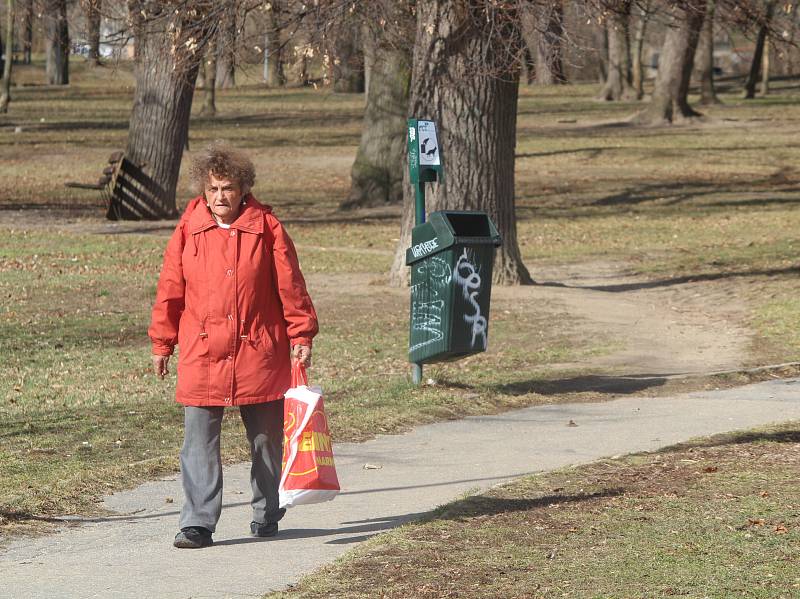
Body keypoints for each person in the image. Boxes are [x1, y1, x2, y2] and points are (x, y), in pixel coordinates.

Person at [148, 142, 318, 549]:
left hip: (259, 348)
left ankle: (268, 510)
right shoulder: (188, 228)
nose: (220, 197)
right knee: (198, 440)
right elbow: (171, 288)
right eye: (212, 190)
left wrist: (301, 335)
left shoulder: (267, 227)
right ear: (202, 192)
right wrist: (162, 342)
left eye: (227, 189)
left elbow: (291, 287)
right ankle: (197, 523)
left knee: (265, 440)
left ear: (243, 189)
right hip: (201, 350)